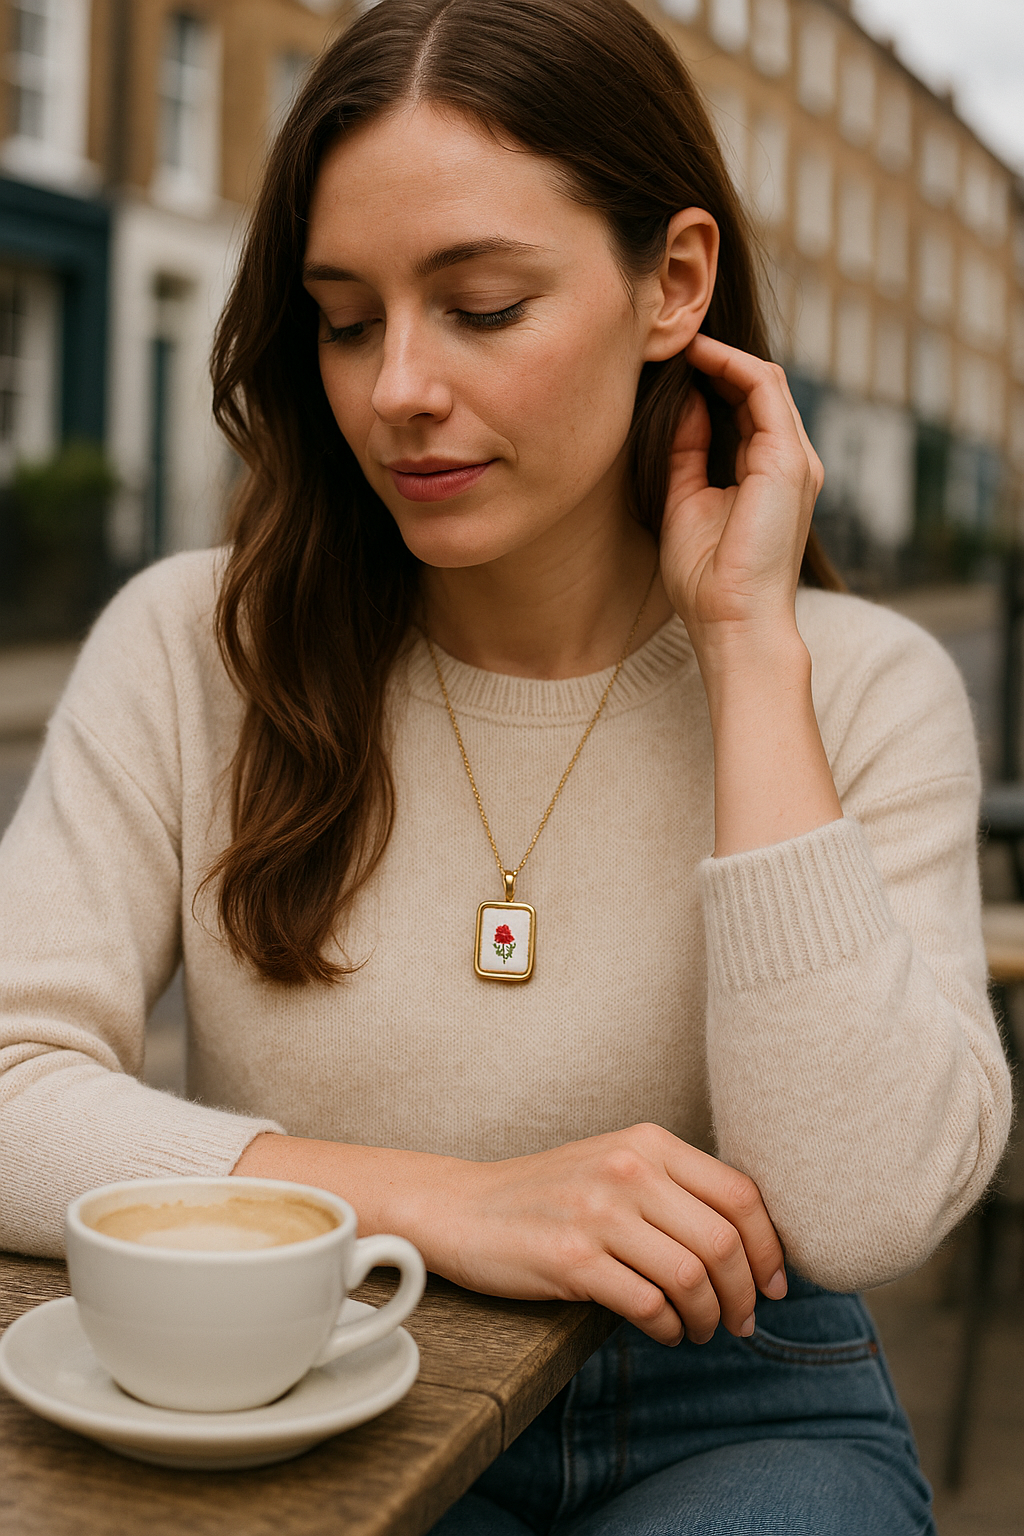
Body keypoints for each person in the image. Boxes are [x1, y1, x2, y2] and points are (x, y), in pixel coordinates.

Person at [0, 0, 1010, 1529]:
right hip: (313, 1364)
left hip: (735, 1402)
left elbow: (863, 1208)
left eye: (479, 307)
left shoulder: (861, 688)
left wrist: (745, 650)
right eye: (345, 319)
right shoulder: (194, 649)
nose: (396, 386)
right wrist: (441, 1204)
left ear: (672, 282)